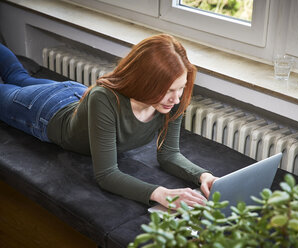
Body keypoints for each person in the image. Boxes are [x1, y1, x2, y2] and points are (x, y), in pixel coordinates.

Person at [0, 34, 218, 208]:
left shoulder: (173, 102)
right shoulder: (104, 98)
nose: (177, 98)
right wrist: (161, 194)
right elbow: (106, 175)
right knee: (14, 78)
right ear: (145, 82)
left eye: (181, 87)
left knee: (19, 77)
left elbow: (168, 154)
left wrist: (203, 176)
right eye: (169, 90)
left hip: (77, 95)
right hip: (46, 111)